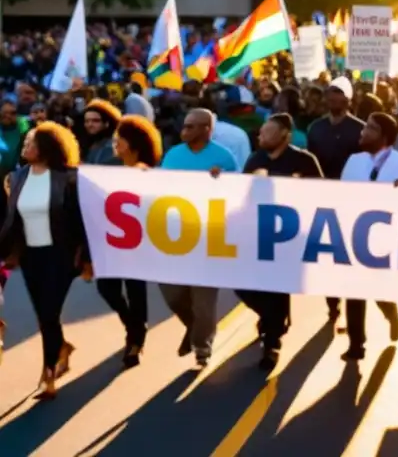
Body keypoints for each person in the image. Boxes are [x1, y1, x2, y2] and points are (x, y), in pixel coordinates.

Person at [0, 123, 88, 399]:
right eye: (25, 141)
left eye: (31, 142)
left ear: (47, 148)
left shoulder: (70, 178)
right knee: (45, 315)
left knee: (49, 313)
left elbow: (83, 219)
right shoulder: (16, 178)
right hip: (31, 256)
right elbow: (12, 220)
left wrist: (85, 254)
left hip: (60, 255)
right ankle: (60, 348)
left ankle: (48, 374)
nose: (25, 146)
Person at [241, 113, 323, 369]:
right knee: (243, 284)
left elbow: (323, 195)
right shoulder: (255, 159)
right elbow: (242, 193)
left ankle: (272, 342)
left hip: (291, 238)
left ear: (284, 136)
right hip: (260, 234)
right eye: (261, 131)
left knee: (276, 288)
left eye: (267, 132)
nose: (260, 135)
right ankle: (271, 320)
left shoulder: (304, 160)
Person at [159, 108, 239, 367]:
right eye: (184, 125)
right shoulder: (173, 155)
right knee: (172, 294)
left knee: (204, 299)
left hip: (209, 236)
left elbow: (239, 192)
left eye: (192, 126)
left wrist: (223, 180)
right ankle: (195, 327)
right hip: (175, 235)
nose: (185, 130)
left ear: (207, 129)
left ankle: (202, 347)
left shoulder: (224, 157)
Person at [339, 112, 398, 360]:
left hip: (386, 238)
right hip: (355, 235)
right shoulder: (353, 161)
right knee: (354, 290)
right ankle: (356, 343)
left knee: (379, 288)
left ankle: (392, 314)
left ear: (384, 136)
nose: (363, 132)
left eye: (370, 129)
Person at [99, 115, 163, 368]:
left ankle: (136, 340)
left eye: (120, 138)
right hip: (111, 242)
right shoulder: (108, 166)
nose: (115, 142)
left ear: (134, 142)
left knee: (136, 290)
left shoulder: (151, 173)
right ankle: (133, 324)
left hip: (138, 243)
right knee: (107, 289)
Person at [306, 77, 364, 322]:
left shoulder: (360, 128)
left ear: (348, 99)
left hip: (353, 202)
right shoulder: (316, 128)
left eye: (338, 94)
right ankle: (332, 305)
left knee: (352, 257)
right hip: (323, 200)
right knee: (326, 258)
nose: (333, 98)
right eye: (330, 94)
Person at [82, 100, 122, 166]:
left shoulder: (110, 148)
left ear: (107, 123)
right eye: (87, 121)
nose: (90, 124)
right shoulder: (94, 143)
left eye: (95, 121)